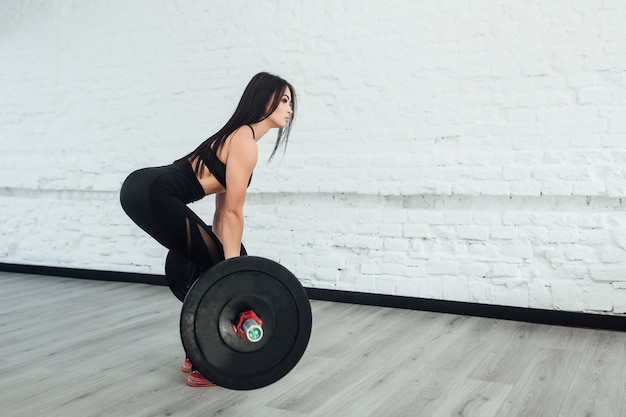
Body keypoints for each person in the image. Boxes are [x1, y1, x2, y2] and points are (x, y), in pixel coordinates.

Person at [119, 72, 296, 387]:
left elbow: (221, 214)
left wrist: (224, 263)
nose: (289, 109)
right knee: (226, 262)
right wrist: (230, 272)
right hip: (155, 192)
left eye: (290, 102)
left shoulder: (237, 137)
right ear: (264, 98)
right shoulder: (245, 141)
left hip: (139, 188)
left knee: (216, 259)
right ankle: (206, 362)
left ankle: (194, 353)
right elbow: (233, 212)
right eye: (283, 100)